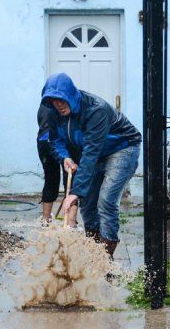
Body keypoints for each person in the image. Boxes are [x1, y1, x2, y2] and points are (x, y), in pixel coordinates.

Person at [41, 72, 141, 258]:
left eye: (61, 99)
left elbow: (90, 153)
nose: (59, 104)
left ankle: (105, 255)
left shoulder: (96, 110)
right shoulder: (54, 113)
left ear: (70, 95)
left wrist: (74, 193)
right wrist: (64, 157)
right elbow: (55, 140)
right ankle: (94, 248)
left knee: (105, 200)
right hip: (95, 153)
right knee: (87, 203)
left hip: (122, 148)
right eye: (54, 100)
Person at [36, 101, 78, 227]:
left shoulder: (44, 103)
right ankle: (70, 224)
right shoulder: (66, 103)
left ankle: (45, 219)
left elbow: (40, 122)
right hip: (62, 142)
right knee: (70, 179)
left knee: (50, 179)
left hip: (44, 142)